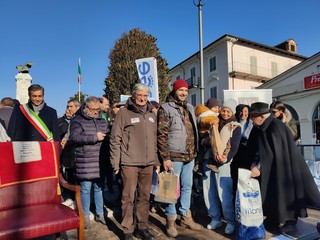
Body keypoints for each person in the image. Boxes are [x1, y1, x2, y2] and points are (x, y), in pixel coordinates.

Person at [246, 102, 320, 233]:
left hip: (286, 170)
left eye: (252, 116)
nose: (251, 119)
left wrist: (258, 167)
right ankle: (274, 218)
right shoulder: (262, 127)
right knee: (273, 194)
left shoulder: (276, 127)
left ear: (261, 116)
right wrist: (253, 163)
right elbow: (260, 149)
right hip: (272, 169)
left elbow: (274, 152)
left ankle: (289, 220)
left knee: (286, 195)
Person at [110, 83, 159, 240]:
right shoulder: (124, 113)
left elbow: (155, 140)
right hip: (129, 162)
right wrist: (115, 162)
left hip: (148, 163)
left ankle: (142, 227)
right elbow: (115, 138)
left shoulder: (152, 114)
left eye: (145, 95)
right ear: (133, 95)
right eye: (140, 95)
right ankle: (127, 230)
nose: (142, 98)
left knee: (144, 197)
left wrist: (156, 160)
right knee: (128, 197)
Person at [157, 79, 202, 238]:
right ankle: (170, 219)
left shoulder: (190, 107)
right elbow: (161, 135)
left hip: (190, 155)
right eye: (181, 90)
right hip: (174, 155)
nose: (183, 93)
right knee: (170, 190)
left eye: (186, 90)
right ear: (174, 91)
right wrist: (165, 157)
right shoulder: (165, 108)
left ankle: (185, 216)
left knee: (187, 186)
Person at [69, 96, 109, 229]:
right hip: (85, 159)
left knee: (99, 188)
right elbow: (75, 138)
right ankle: (85, 215)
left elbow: (107, 133)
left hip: (100, 159)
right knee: (85, 189)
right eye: (93, 110)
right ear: (86, 108)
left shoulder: (101, 119)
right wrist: (94, 138)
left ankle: (100, 213)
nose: (96, 112)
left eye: (98, 109)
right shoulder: (77, 120)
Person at [203, 99, 241, 235]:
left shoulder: (235, 126)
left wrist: (226, 157)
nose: (225, 113)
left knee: (224, 193)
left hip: (224, 164)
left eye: (228, 111)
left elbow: (234, 145)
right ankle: (215, 218)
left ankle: (230, 221)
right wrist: (207, 141)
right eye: (223, 110)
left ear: (232, 112)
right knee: (209, 192)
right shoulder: (213, 121)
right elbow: (203, 138)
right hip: (208, 161)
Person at [230, 104, 253, 195]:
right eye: (241, 111)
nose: (243, 114)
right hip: (236, 152)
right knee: (235, 176)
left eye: (246, 111)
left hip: (247, 152)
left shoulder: (251, 123)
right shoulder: (234, 122)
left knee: (246, 176)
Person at [194, 98, 221, 174]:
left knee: (204, 150)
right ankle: (206, 164)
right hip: (205, 134)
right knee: (210, 148)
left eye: (218, 107)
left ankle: (199, 165)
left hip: (206, 134)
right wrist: (211, 122)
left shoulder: (211, 114)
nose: (217, 109)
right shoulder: (208, 114)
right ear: (209, 108)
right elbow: (204, 121)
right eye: (214, 107)